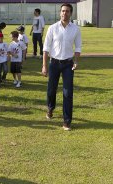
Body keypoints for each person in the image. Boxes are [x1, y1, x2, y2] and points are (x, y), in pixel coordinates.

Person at [42, 3, 82, 131]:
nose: (65, 13)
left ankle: (67, 121)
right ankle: (50, 108)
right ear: (60, 13)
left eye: (67, 11)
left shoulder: (75, 29)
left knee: (67, 92)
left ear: (71, 13)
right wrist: (44, 66)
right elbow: (46, 48)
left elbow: (78, 47)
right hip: (54, 63)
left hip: (68, 65)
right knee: (51, 90)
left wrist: (76, 61)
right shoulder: (53, 28)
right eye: (63, 11)